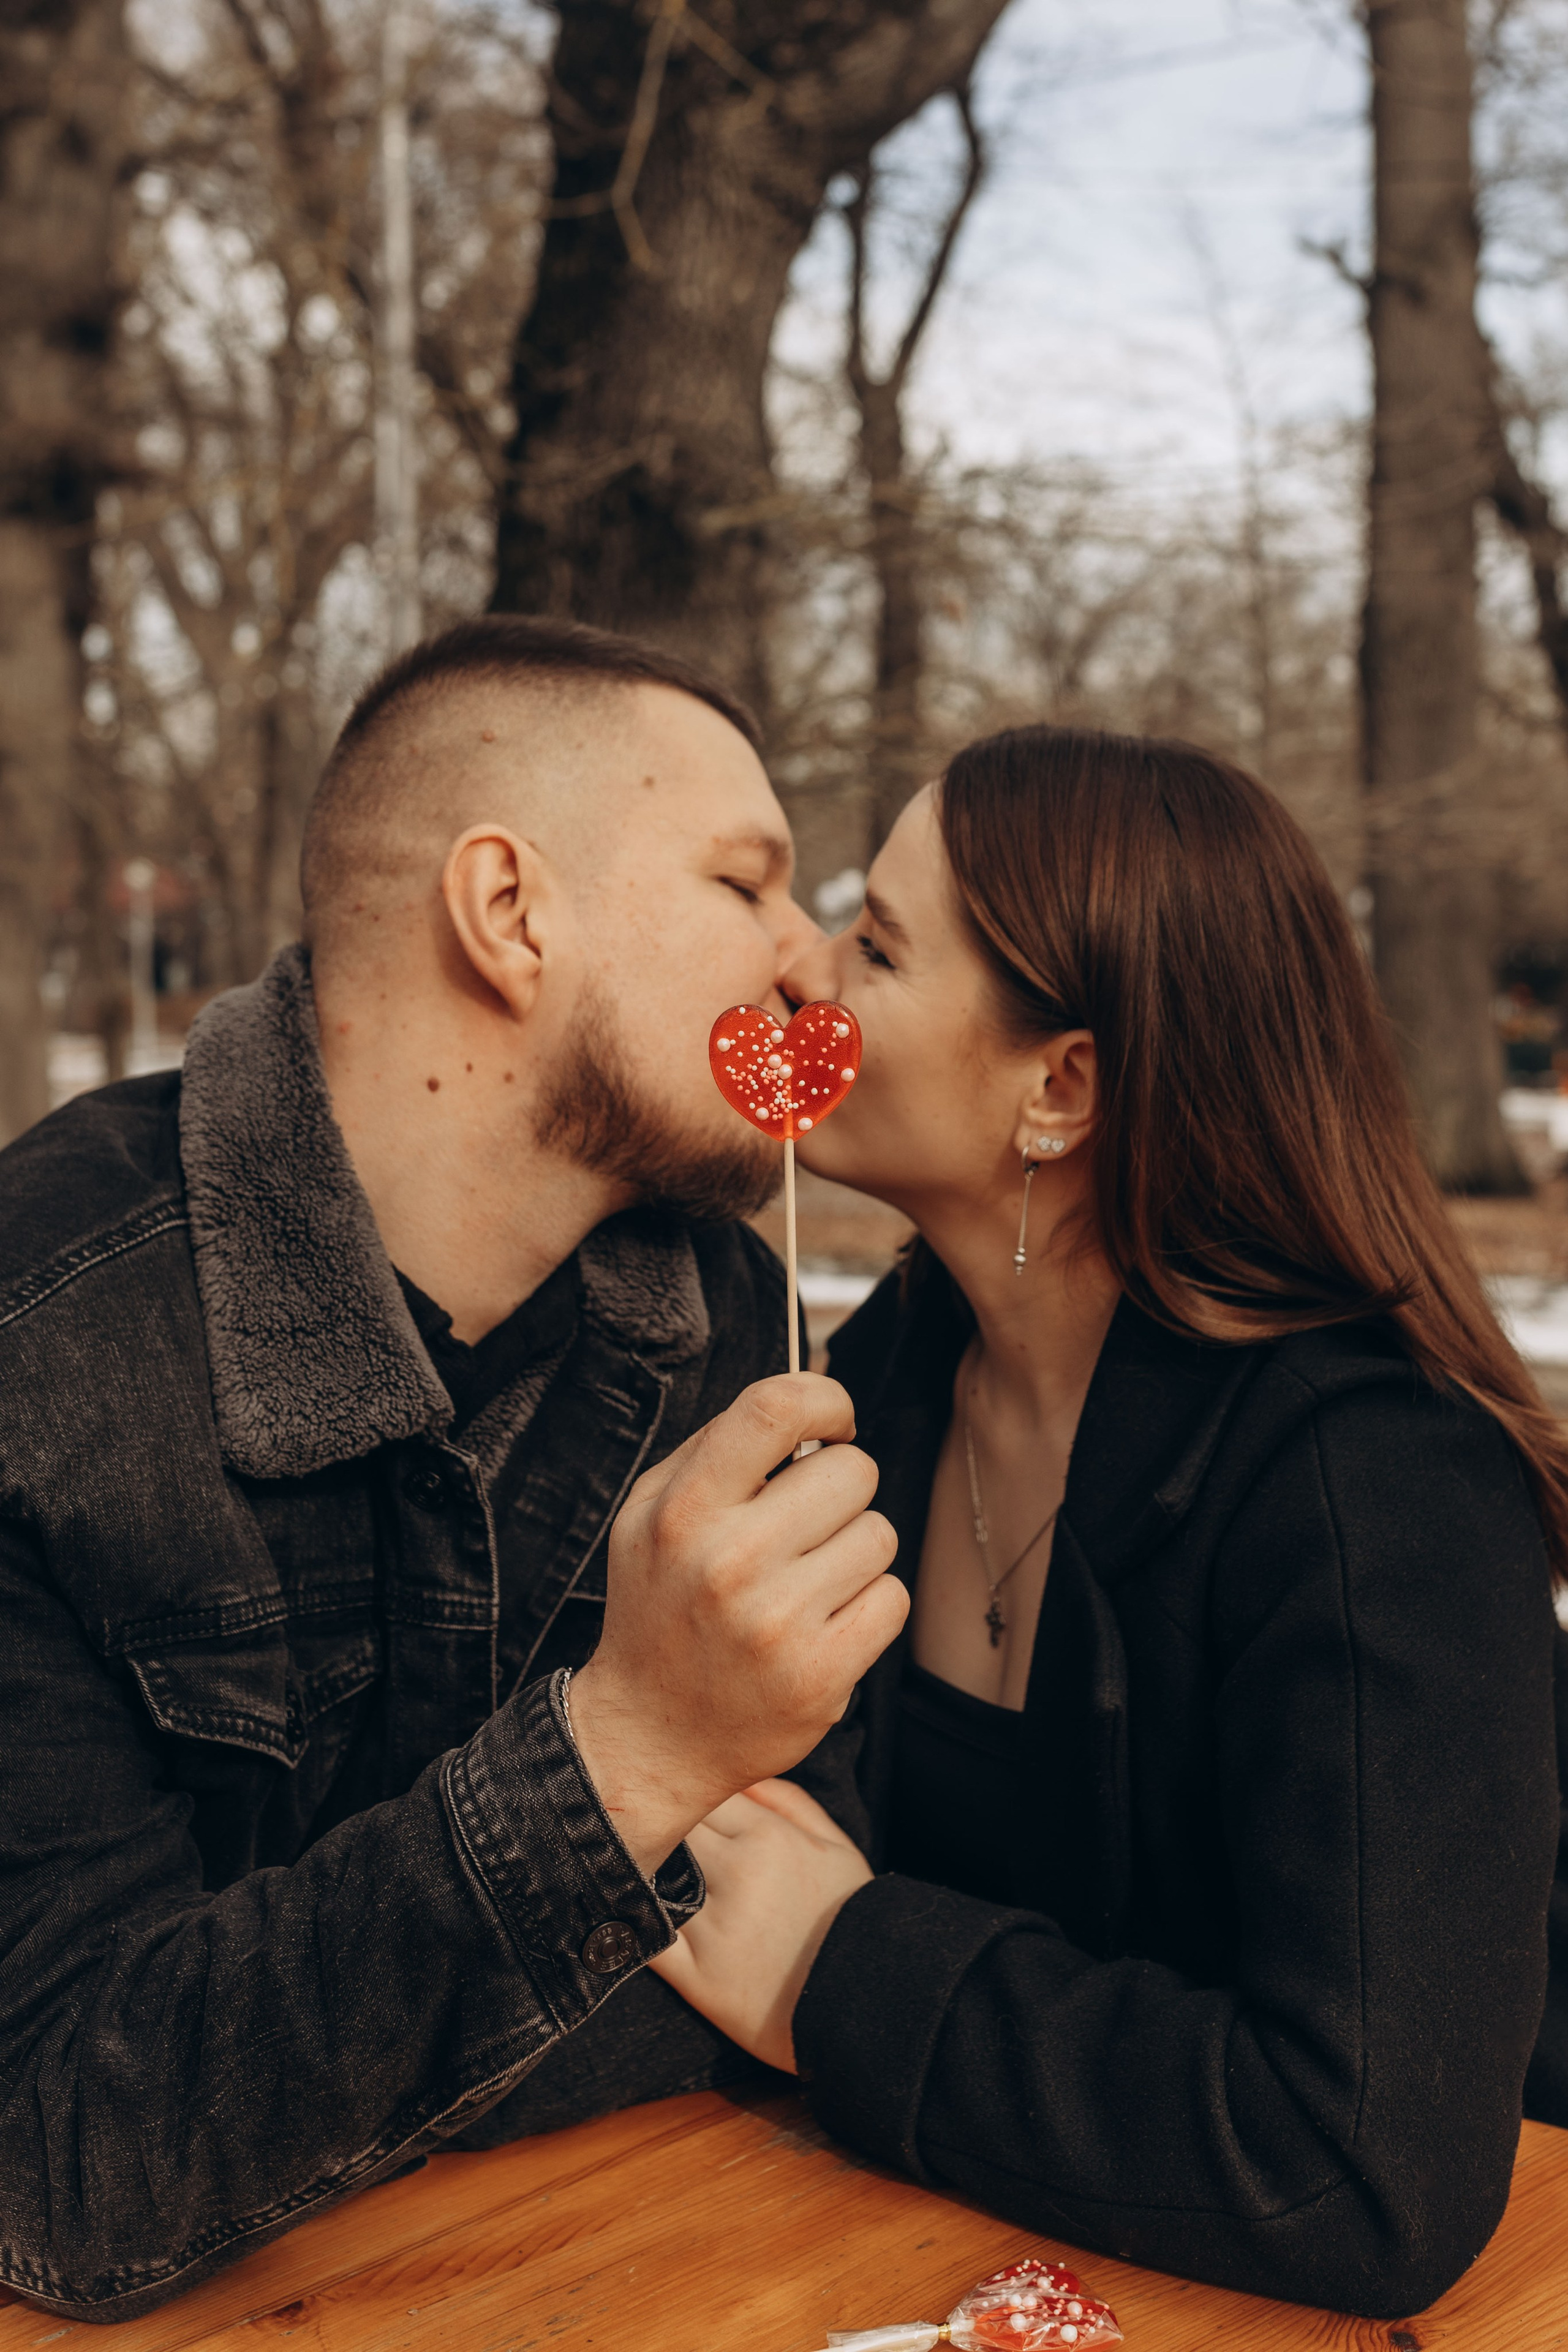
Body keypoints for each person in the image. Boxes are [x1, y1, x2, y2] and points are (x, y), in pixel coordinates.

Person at [0, 616, 904, 2321]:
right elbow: (62, 2157)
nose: (813, 964)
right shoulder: (40, 1350)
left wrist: (271, 2041)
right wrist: (630, 1753)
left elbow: (813, 1898)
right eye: (747, 885)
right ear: (509, 914)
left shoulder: (730, 1318)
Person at [653, 725, 1568, 2321]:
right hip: (989, 2258)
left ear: (1060, 1088)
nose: (798, 962)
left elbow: (1366, 2170)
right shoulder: (881, 1381)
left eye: (878, 944)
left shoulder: (1375, 1496)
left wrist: (838, 1972)